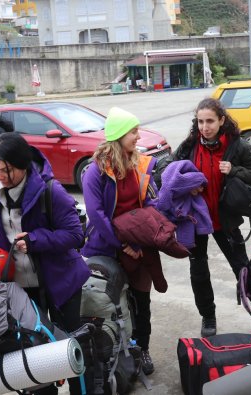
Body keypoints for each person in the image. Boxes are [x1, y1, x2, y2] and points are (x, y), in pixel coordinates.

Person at [0, 132, 89, 394]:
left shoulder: (50, 191)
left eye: (5, 170)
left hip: (61, 283)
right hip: (21, 289)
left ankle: (82, 390)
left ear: (22, 165)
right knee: (32, 351)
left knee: (71, 346)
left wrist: (35, 240)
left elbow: (76, 235)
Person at [158, 98, 251, 337]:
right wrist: (186, 186)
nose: (204, 127)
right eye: (200, 121)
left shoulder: (237, 145)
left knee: (241, 267)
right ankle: (208, 316)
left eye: (210, 121)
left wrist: (234, 170)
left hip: (225, 220)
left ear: (221, 120)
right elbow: (168, 173)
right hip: (195, 220)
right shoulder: (189, 146)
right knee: (198, 270)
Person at [81, 107, 158, 376]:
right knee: (112, 305)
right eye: (133, 131)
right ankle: (116, 353)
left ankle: (142, 349)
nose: (138, 136)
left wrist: (142, 239)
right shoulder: (96, 172)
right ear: (118, 135)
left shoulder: (139, 164)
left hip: (139, 247)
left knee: (141, 301)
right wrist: (121, 244)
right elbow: (97, 214)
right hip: (107, 248)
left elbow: (148, 203)